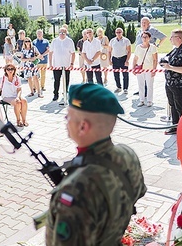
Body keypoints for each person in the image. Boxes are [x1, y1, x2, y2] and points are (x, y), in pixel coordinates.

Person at [45, 83, 147, 245]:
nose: (65, 120)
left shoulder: (75, 189)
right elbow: (139, 192)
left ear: (83, 126)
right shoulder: (128, 155)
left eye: (69, 116)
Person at [160, 30, 182, 135]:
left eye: (172, 37)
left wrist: (170, 67)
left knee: (180, 106)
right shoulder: (175, 50)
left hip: (179, 85)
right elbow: (168, 58)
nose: (170, 39)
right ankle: (175, 126)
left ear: (179, 38)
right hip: (170, 83)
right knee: (172, 105)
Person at [49, 27, 75, 101]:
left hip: (66, 65)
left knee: (66, 79)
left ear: (66, 33)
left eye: (63, 33)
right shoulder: (54, 41)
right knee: (56, 80)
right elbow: (50, 53)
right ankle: (56, 94)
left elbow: (73, 53)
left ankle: (65, 92)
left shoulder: (69, 41)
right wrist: (50, 64)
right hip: (56, 65)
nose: (61, 34)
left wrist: (72, 63)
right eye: (60, 32)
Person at [132, 31, 158, 107]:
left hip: (149, 69)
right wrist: (133, 68)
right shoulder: (138, 47)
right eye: (143, 37)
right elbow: (135, 58)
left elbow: (155, 60)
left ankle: (149, 100)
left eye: (146, 37)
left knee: (149, 85)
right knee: (141, 85)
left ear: (149, 38)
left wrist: (154, 69)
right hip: (140, 69)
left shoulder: (153, 47)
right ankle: (141, 100)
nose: (144, 38)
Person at [109, 27, 131, 94]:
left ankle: (125, 88)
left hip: (123, 58)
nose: (118, 34)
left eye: (119, 32)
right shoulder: (112, 41)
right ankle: (118, 87)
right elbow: (109, 51)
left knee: (125, 74)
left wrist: (127, 60)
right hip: (115, 59)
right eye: (117, 32)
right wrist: (109, 60)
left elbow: (129, 51)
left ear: (122, 33)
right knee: (116, 74)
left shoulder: (126, 40)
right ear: (115, 33)